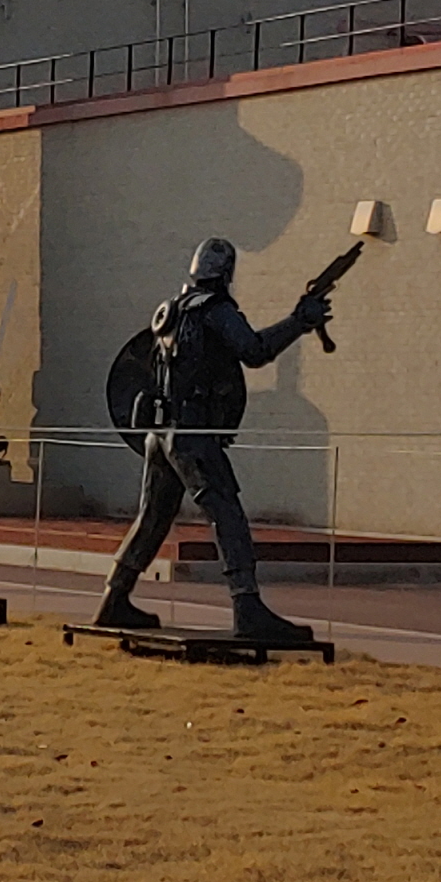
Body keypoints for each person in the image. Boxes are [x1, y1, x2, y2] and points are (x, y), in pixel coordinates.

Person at [92, 237, 335, 648]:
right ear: (225, 274)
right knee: (228, 515)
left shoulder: (170, 310)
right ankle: (247, 607)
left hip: (161, 434)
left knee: (153, 518)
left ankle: (115, 596)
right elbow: (254, 351)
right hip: (193, 434)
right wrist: (299, 321)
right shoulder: (215, 311)